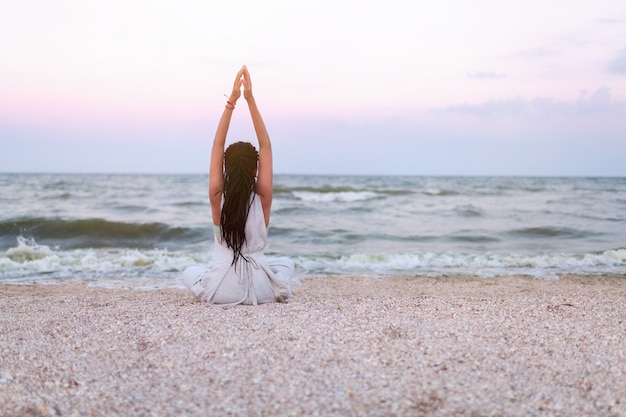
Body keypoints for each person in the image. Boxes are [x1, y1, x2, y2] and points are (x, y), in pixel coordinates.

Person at [182, 66, 294, 305]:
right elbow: (266, 147)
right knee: (286, 264)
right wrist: (250, 99)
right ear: (256, 169)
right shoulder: (262, 197)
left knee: (191, 271)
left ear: (225, 168)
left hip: (219, 290)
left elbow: (216, 144)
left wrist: (231, 101)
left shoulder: (217, 196)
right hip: (262, 290)